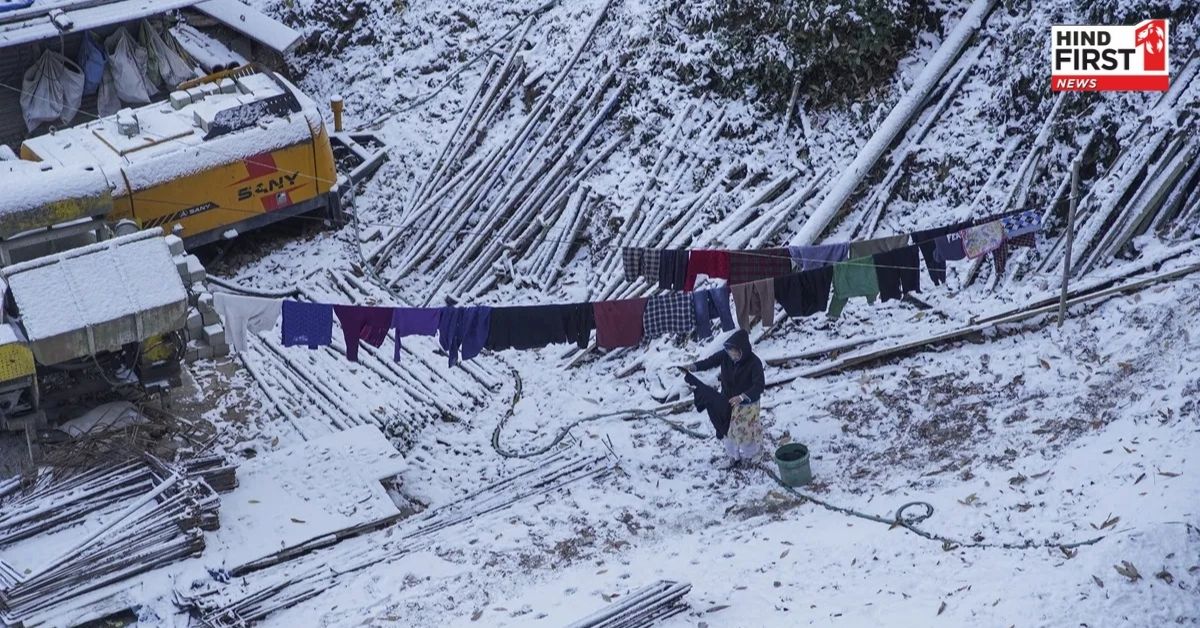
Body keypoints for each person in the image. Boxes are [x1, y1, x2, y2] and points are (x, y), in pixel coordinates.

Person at [684, 329, 765, 467]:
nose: (731, 354)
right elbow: (710, 361)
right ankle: (733, 456)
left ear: (741, 350)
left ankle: (752, 455)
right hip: (728, 398)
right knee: (726, 427)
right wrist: (694, 367)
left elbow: (759, 386)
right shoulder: (725, 356)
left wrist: (742, 397)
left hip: (747, 403)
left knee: (744, 430)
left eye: (734, 351)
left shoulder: (754, 363)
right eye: (729, 351)